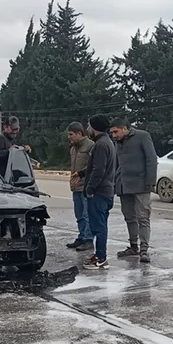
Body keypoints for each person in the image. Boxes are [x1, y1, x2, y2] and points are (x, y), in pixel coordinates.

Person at [110, 118, 158, 263]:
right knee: (129, 216)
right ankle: (133, 246)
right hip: (123, 184)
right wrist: (114, 182)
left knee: (143, 217)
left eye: (116, 132)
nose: (113, 135)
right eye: (111, 132)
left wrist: (150, 182)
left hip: (141, 184)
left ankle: (144, 249)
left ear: (125, 128)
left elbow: (151, 159)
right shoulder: (118, 142)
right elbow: (116, 163)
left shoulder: (142, 136)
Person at [83, 114, 116, 270]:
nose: (87, 129)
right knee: (100, 225)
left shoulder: (101, 145)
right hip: (105, 190)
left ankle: (101, 258)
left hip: (99, 193)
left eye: (89, 126)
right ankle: (99, 255)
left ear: (95, 128)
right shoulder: (106, 142)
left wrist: (90, 188)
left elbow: (99, 170)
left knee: (99, 226)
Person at [65, 121, 95, 252]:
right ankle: (82, 237)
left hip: (86, 187)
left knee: (87, 214)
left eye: (71, 134)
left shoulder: (91, 146)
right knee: (79, 215)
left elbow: (93, 166)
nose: (69, 137)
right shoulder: (73, 148)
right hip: (75, 187)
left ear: (79, 133)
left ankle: (88, 240)